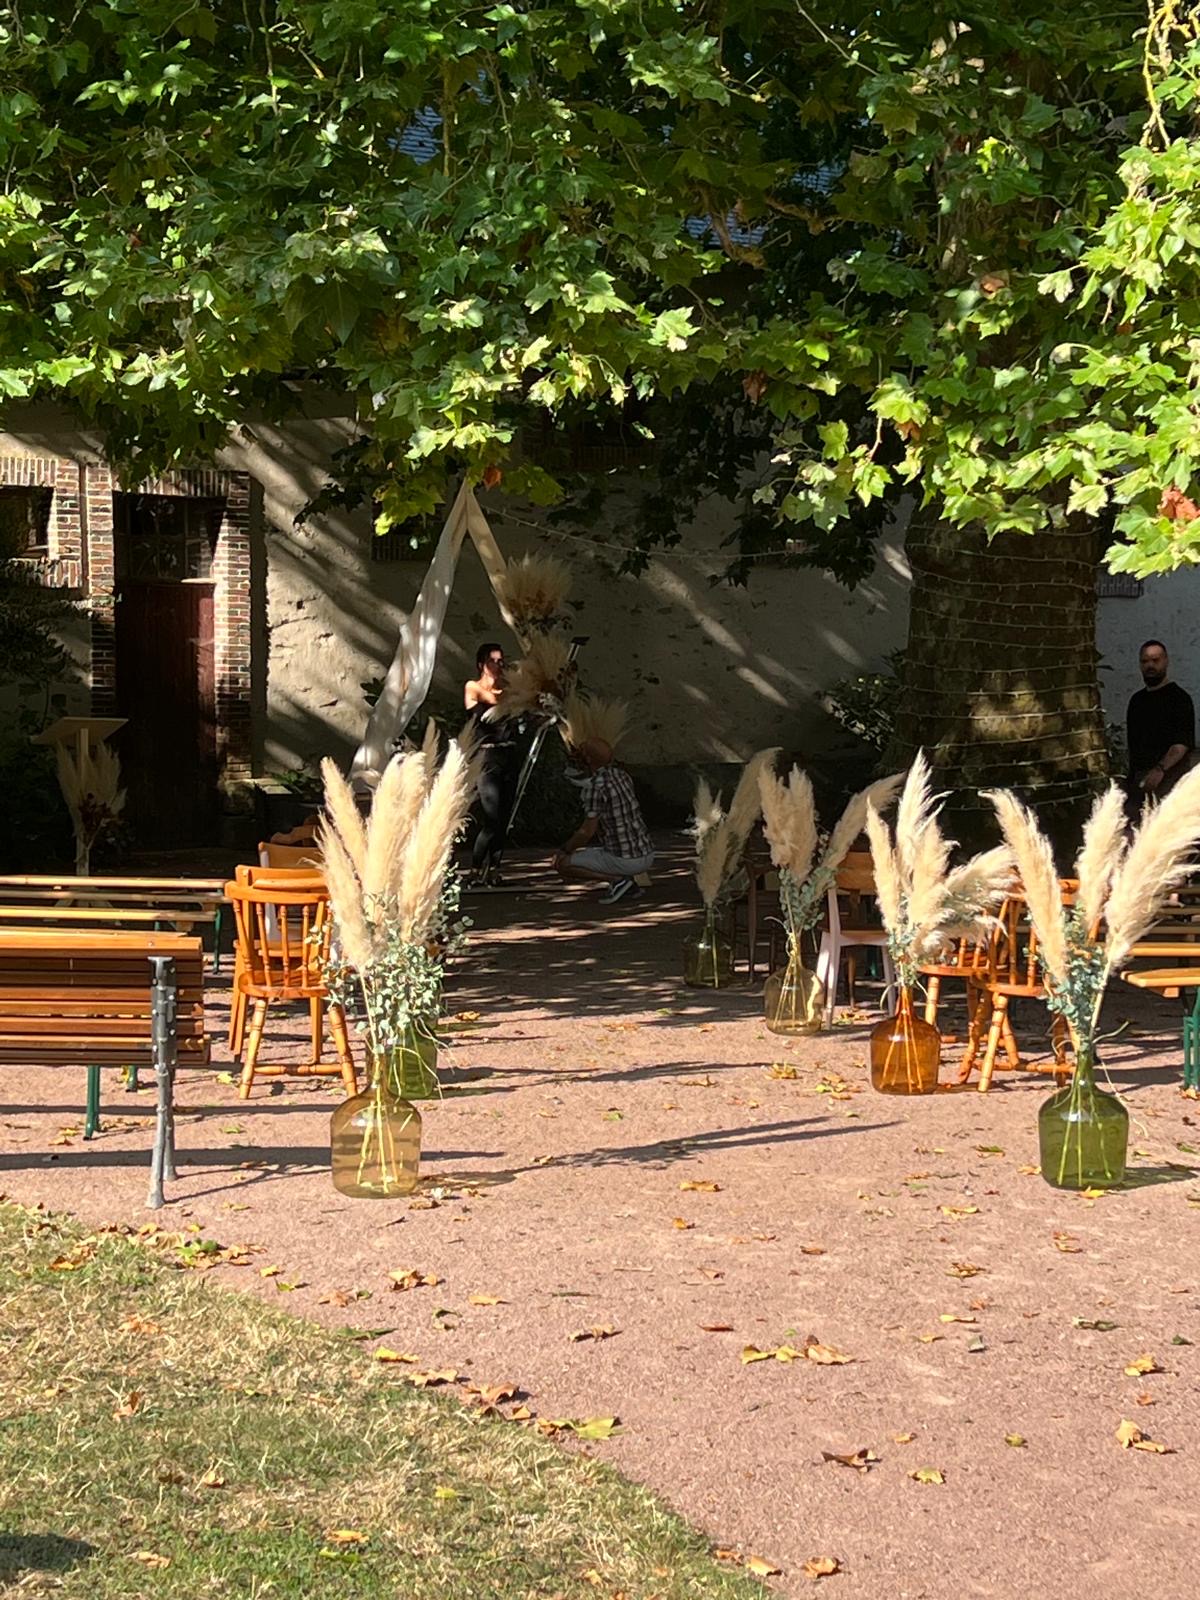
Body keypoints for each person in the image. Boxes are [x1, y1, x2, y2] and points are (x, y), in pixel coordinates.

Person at [553, 736, 654, 905]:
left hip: (625, 859)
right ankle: (628, 882)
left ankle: (616, 880)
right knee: (602, 850)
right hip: (647, 853)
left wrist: (564, 850)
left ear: (589, 759)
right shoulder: (621, 775)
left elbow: (587, 832)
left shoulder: (595, 787)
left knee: (563, 864)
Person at [464, 641, 522, 887]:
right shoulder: (473, 687)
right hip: (487, 759)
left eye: (501, 661)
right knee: (492, 817)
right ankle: (476, 870)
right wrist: (516, 696)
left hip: (509, 756)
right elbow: (488, 704)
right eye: (492, 661)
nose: (498, 666)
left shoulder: (509, 692)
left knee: (505, 818)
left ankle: (495, 870)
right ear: (481, 664)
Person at [1126, 639, 1195, 802]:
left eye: (1155, 660)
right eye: (1145, 661)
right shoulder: (1136, 701)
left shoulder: (1179, 699)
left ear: (1166, 661)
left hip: (1172, 780)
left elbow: (1181, 744)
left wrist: (1160, 770)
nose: (1150, 665)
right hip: (1140, 781)